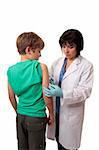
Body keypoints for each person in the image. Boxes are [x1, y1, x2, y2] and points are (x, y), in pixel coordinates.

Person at [44, 29, 93, 150]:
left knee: (68, 146)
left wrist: (62, 93)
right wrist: (49, 82)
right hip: (56, 111)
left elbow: (85, 91)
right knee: (58, 141)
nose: (66, 50)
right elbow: (49, 79)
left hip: (71, 114)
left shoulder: (86, 66)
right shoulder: (56, 63)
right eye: (64, 46)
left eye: (71, 47)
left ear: (78, 47)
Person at [7, 32, 54, 150]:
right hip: (36, 117)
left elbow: (11, 96)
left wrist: (18, 111)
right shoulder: (40, 67)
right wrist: (51, 114)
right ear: (29, 50)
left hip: (21, 117)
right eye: (38, 51)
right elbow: (46, 95)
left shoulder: (11, 70)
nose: (40, 55)